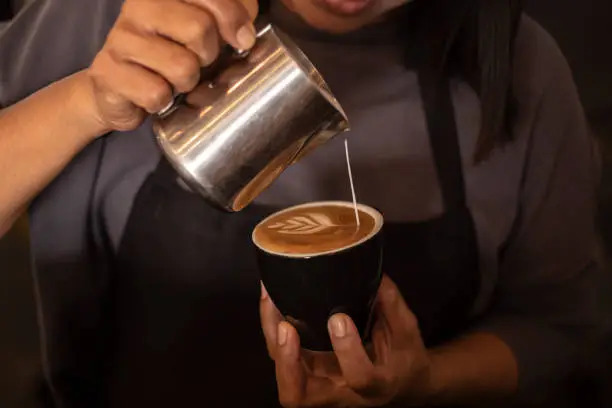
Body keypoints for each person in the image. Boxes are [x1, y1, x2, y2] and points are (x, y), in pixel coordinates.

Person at [0, 0, 602, 407]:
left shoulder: (518, 66)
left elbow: (565, 331)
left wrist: (428, 381)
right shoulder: (119, 19)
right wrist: (88, 102)